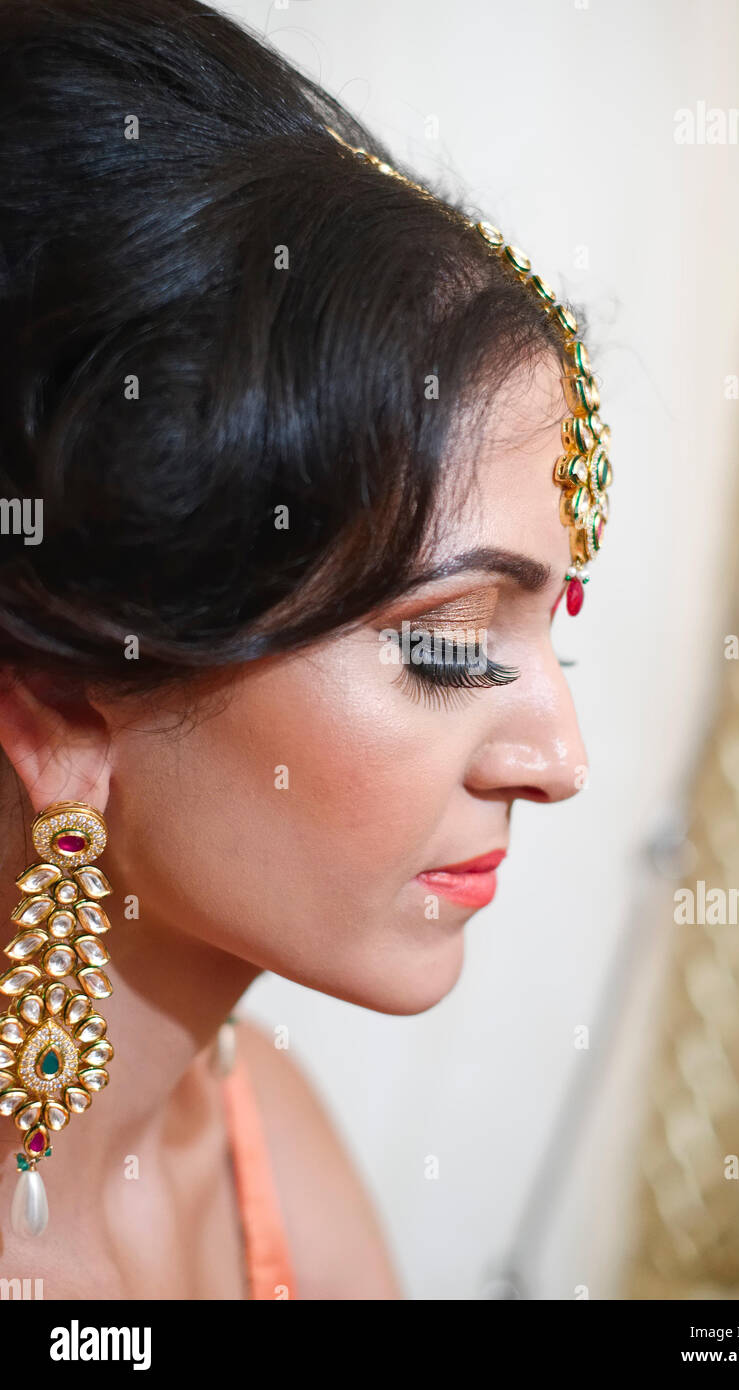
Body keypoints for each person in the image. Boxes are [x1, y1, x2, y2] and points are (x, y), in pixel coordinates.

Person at [0, 0, 605, 1298]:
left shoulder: (264, 1134)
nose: (558, 759)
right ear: (62, 715)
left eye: (544, 629)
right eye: (446, 646)